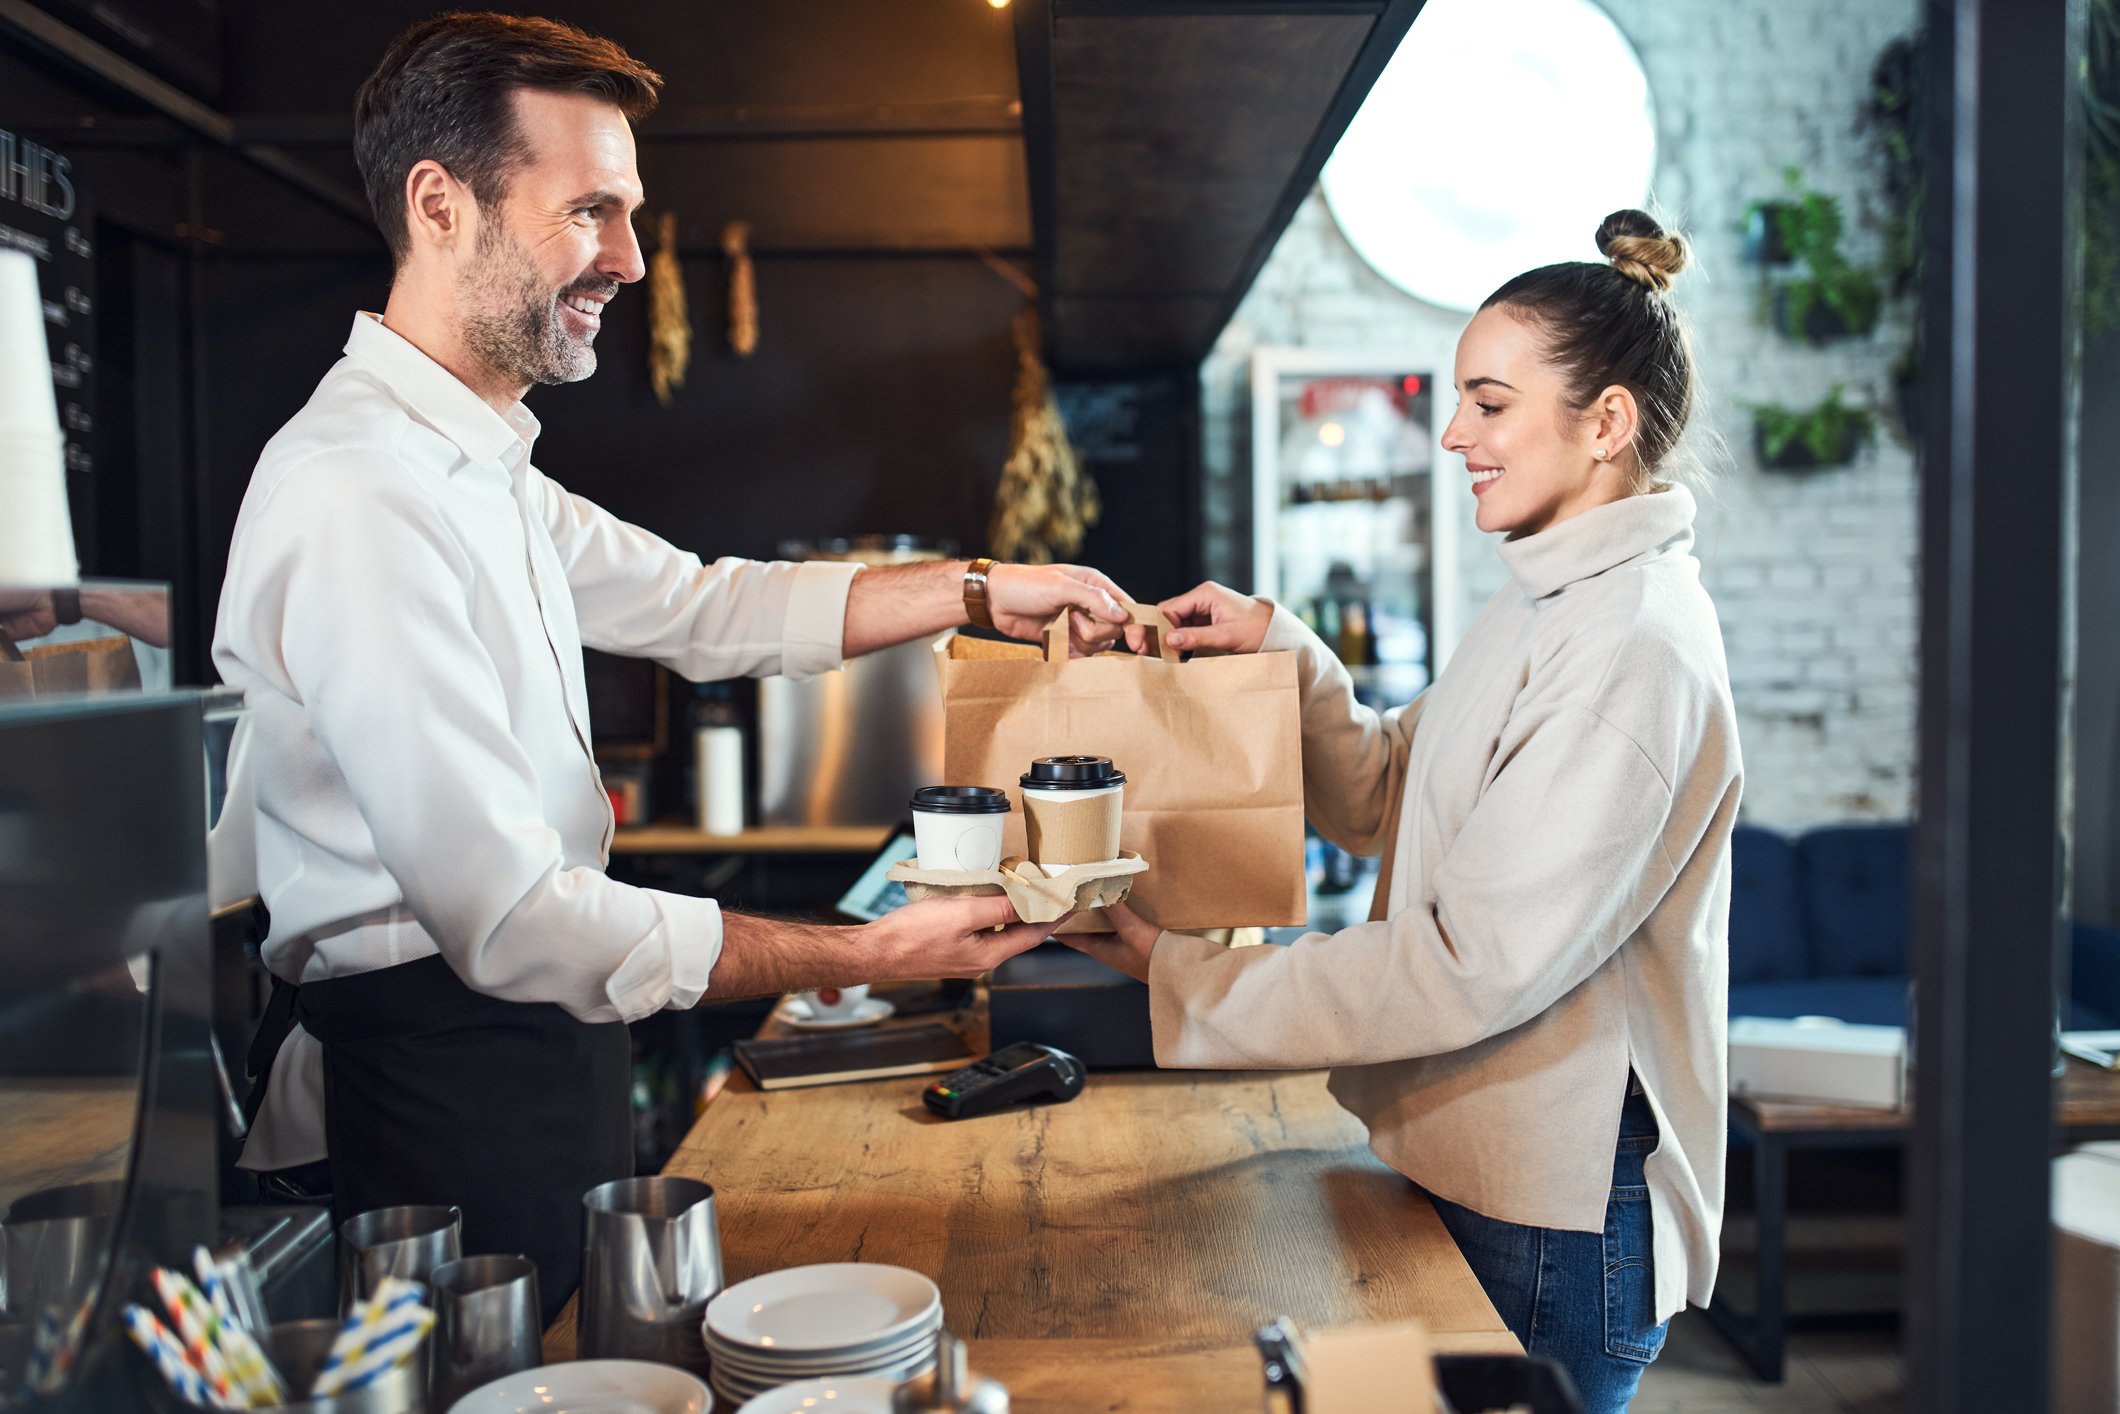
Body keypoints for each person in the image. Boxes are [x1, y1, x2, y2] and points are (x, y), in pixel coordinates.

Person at [213, 12, 1134, 1321]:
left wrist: (983, 588)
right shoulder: (360, 491)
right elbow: (512, 917)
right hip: (433, 1090)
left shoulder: (482, 468)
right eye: (589, 210)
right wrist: (865, 949)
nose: (631, 260)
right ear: (440, 205)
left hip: (531, 1059)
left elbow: (709, 606)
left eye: (630, 213)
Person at [1066, 211, 1740, 1411]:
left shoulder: (1628, 644)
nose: (1451, 435)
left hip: (1553, 1215)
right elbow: (1385, 791)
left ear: (1605, 424)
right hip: (1482, 1169)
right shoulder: (1545, 601)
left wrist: (1185, 969)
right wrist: (1283, 649)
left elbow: (1466, 963)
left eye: (1487, 403)